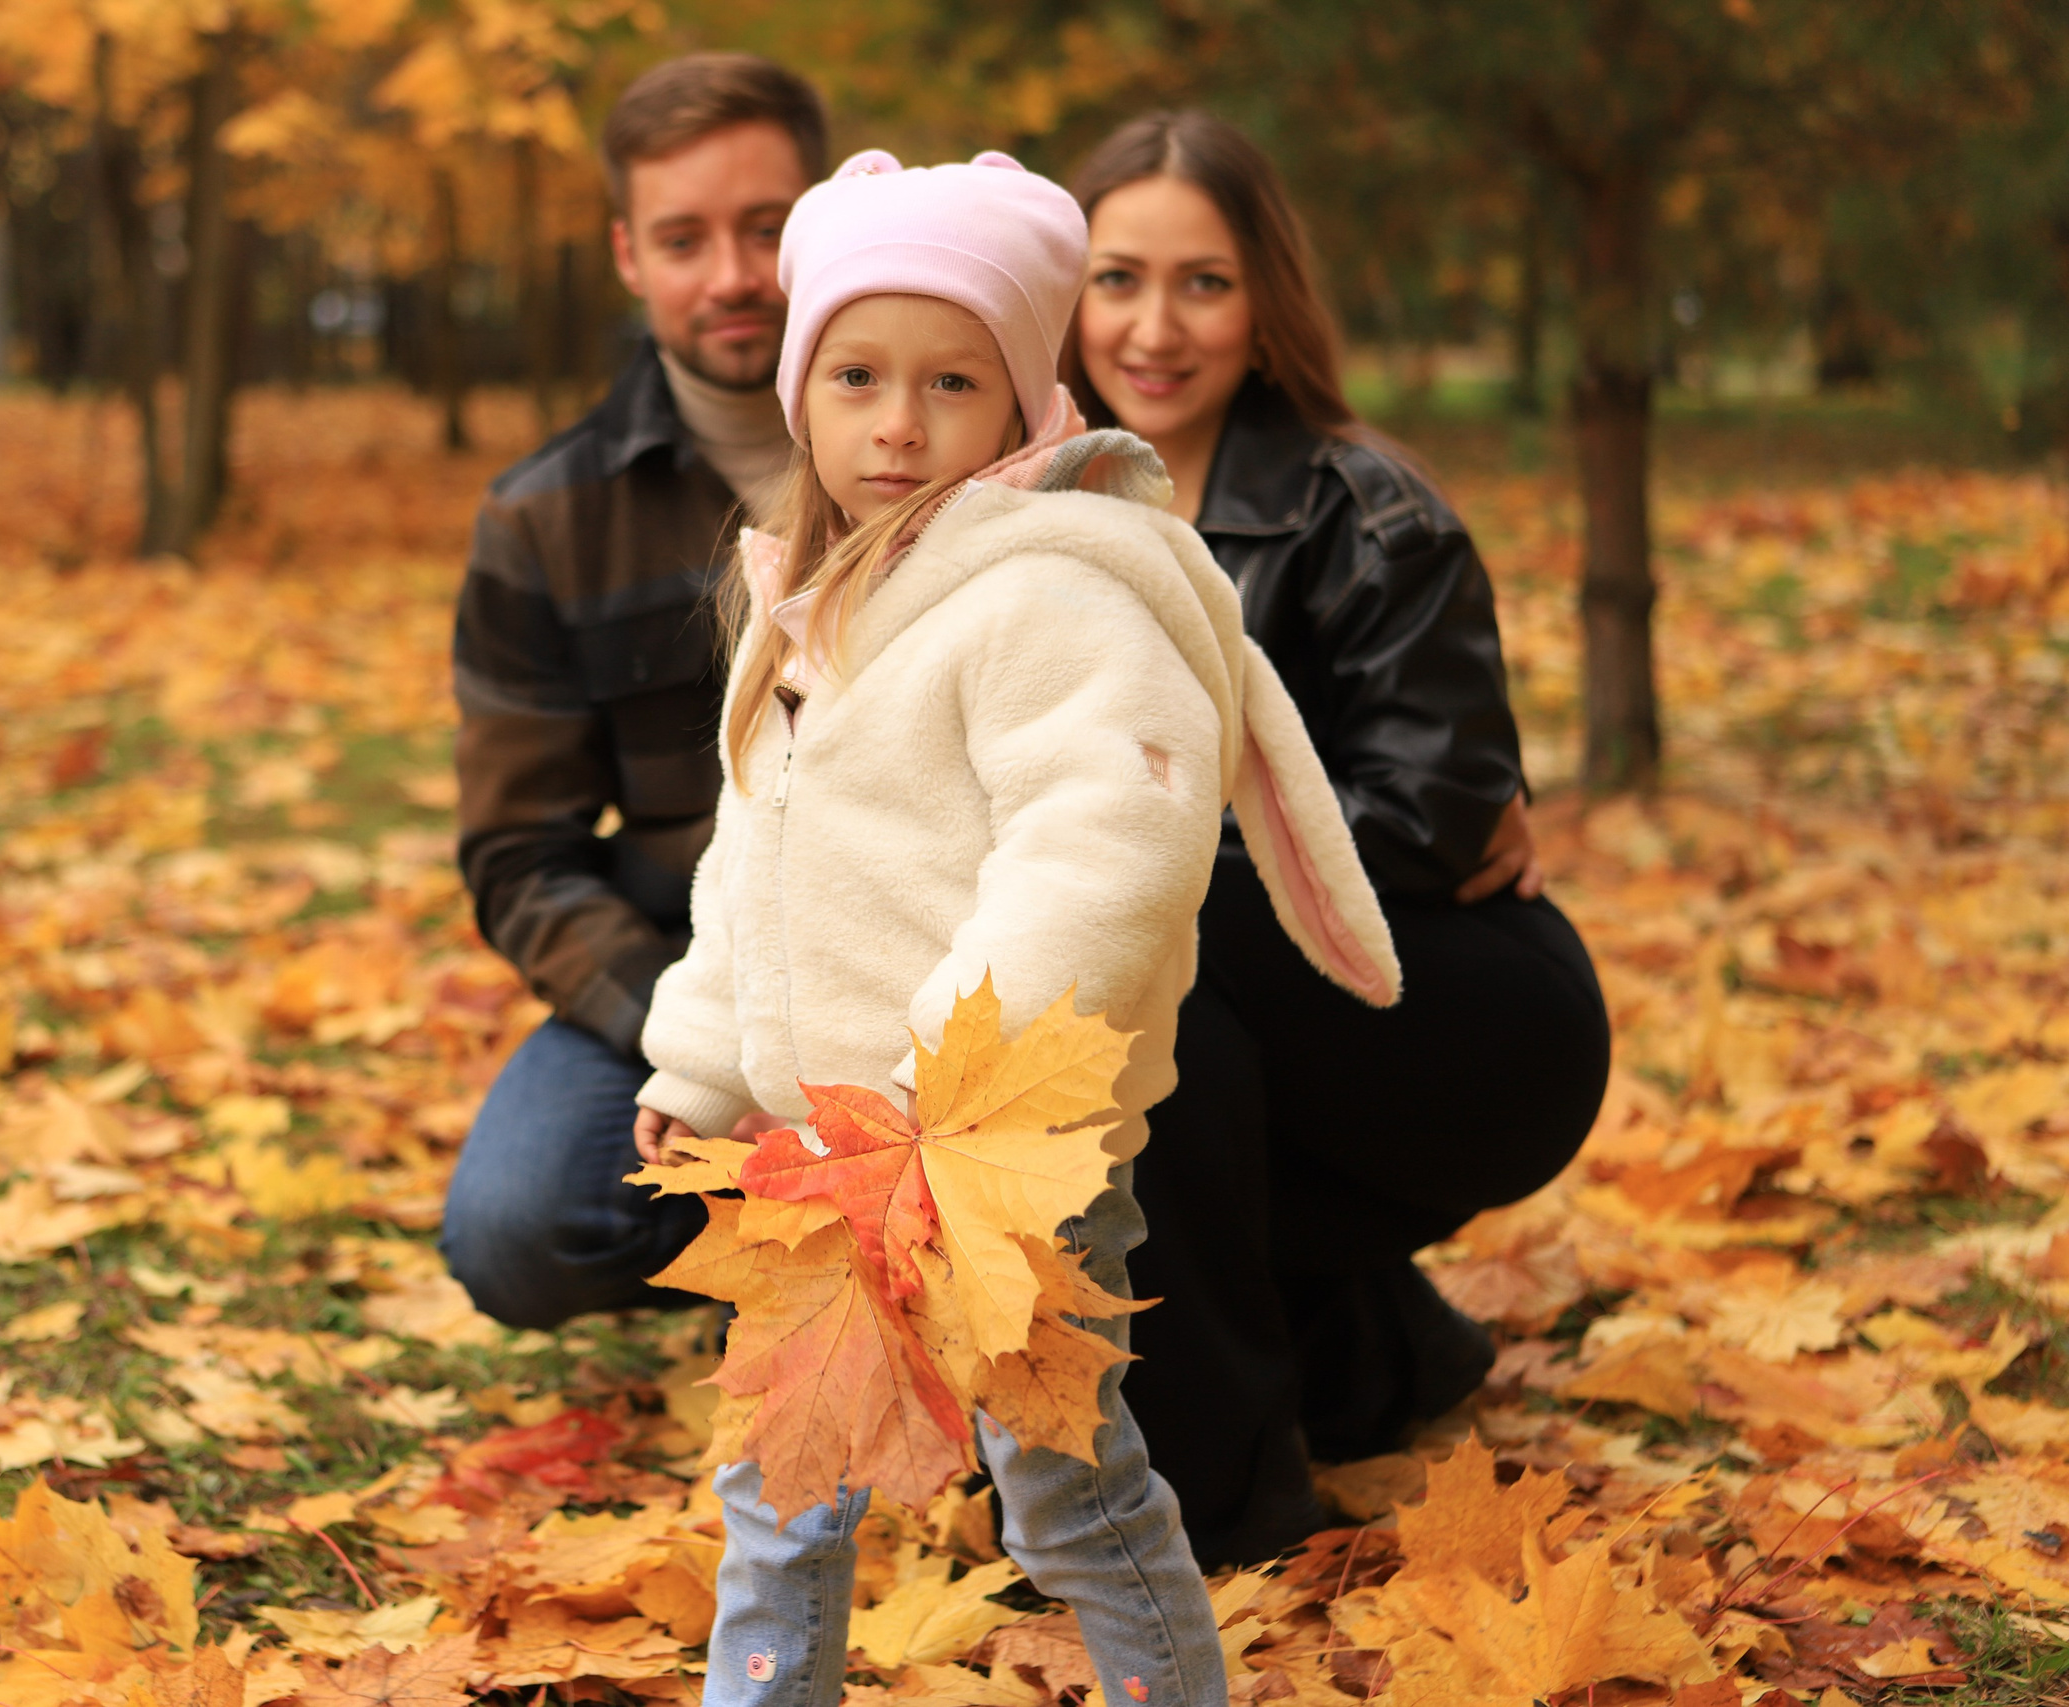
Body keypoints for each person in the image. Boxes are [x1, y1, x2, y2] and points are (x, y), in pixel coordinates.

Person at [629, 148, 1403, 1707]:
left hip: (993, 1150)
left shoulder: (1055, 598)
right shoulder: (810, 598)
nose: (898, 421)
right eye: (856, 375)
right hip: (821, 1146)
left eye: (951, 381)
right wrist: (702, 1059)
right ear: (805, 395)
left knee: (1064, 1482)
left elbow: (1098, 853)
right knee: (783, 1485)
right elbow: (751, 863)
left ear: (1024, 401)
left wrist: (952, 1084)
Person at [1063, 111, 1614, 1565]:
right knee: (1115, 981)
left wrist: (1130, 870)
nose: (1153, 326)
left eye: (1205, 281)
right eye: (1117, 277)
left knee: (1142, 950)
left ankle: (1211, 1511)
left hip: (1454, 1005)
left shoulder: (1367, 512)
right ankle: (1366, 1355)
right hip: (1238, 1004)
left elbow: (1432, 814)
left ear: (1269, 301)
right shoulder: (1015, 506)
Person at [440, 56, 826, 1327]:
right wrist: (702, 1045)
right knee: (517, 1226)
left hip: (951, 961)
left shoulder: (961, 438)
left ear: (824, 215)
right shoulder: (546, 517)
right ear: (627, 255)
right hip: (690, 971)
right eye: (683, 237)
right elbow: (520, 857)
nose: (732, 275)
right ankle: (759, 1251)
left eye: (766, 227)